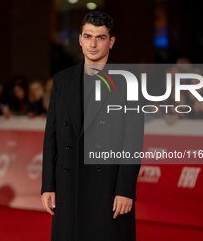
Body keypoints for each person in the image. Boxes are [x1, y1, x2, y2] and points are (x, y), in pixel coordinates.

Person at [41, 12, 144, 241]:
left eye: (100, 37)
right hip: (68, 184)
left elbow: (133, 140)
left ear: (112, 41)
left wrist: (125, 190)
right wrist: (48, 185)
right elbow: (52, 135)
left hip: (107, 186)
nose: (93, 43)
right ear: (79, 39)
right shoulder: (62, 80)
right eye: (88, 36)